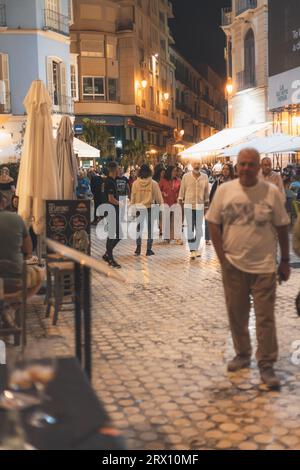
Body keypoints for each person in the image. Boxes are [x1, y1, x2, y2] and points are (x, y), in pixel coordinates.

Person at [206, 148, 290, 389]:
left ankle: (266, 364)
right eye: (242, 164)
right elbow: (213, 222)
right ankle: (242, 354)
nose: (246, 168)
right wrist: (222, 259)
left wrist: (284, 260)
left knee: (265, 318)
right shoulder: (225, 190)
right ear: (237, 166)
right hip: (233, 265)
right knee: (237, 314)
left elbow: (282, 227)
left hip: (264, 266)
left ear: (258, 167)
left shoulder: (271, 192)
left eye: (250, 164)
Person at [178, 162, 209, 259]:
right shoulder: (186, 176)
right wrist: (180, 200)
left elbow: (206, 191)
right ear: (192, 164)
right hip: (188, 205)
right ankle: (192, 250)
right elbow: (182, 190)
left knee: (199, 229)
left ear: (201, 165)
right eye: (195, 163)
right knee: (190, 229)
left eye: (198, 163)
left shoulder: (205, 177)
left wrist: (207, 202)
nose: (197, 165)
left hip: (200, 205)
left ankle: (195, 248)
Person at [131, 164, 163, 256]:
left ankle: (138, 248)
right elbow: (158, 196)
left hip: (138, 208)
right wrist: (161, 206)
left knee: (139, 229)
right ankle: (148, 249)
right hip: (149, 208)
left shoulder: (135, 183)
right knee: (150, 229)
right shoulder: (153, 183)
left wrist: (132, 208)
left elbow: (132, 197)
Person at [205, 163, 235, 245]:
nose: (225, 170)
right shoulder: (218, 182)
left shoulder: (234, 183)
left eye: (227, 169)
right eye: (224, 169)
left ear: (231, 171)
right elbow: (212, 195)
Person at [102, 162, 123, 269]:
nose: (120, 170)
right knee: (112, 235)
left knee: (119, 234)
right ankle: (110, 259)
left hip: (113, 210)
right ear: (114, 169)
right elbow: (110, 199)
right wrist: (121, 203)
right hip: (111, 211)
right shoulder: (109, 182)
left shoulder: (113, 181)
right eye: (119, 168)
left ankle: (107, 254)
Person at [159, 166, 181, 243]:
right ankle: (167, 237)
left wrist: (178, 196)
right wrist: (162, 193)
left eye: (176, 171)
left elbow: (181, 191)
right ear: (169, 172)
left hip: (175, 203)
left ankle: (174, 236)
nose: (175, 173)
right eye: (174, 171)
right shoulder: (163, 181)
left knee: (174, 220)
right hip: (166, 203)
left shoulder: (178, 181)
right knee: (166, 220)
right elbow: (158, 191)